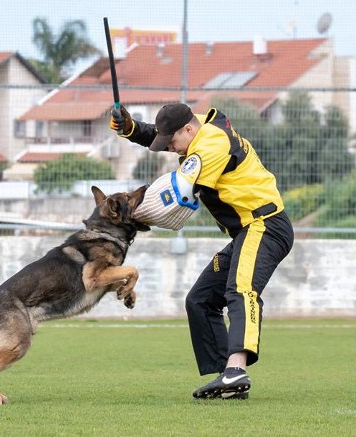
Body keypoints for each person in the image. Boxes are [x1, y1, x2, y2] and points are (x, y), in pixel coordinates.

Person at [110, 103, 294, 400]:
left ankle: (236, 370)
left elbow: (175, 200)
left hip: (265, 225)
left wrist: (129, 214)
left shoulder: (211, 145)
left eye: (172, 141)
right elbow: (164, 139)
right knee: (201, 300)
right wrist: (130, 129)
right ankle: (228, 379)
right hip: (247, 231)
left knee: (241, 290)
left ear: (188, 129)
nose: (170, 148)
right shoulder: (201, 134)